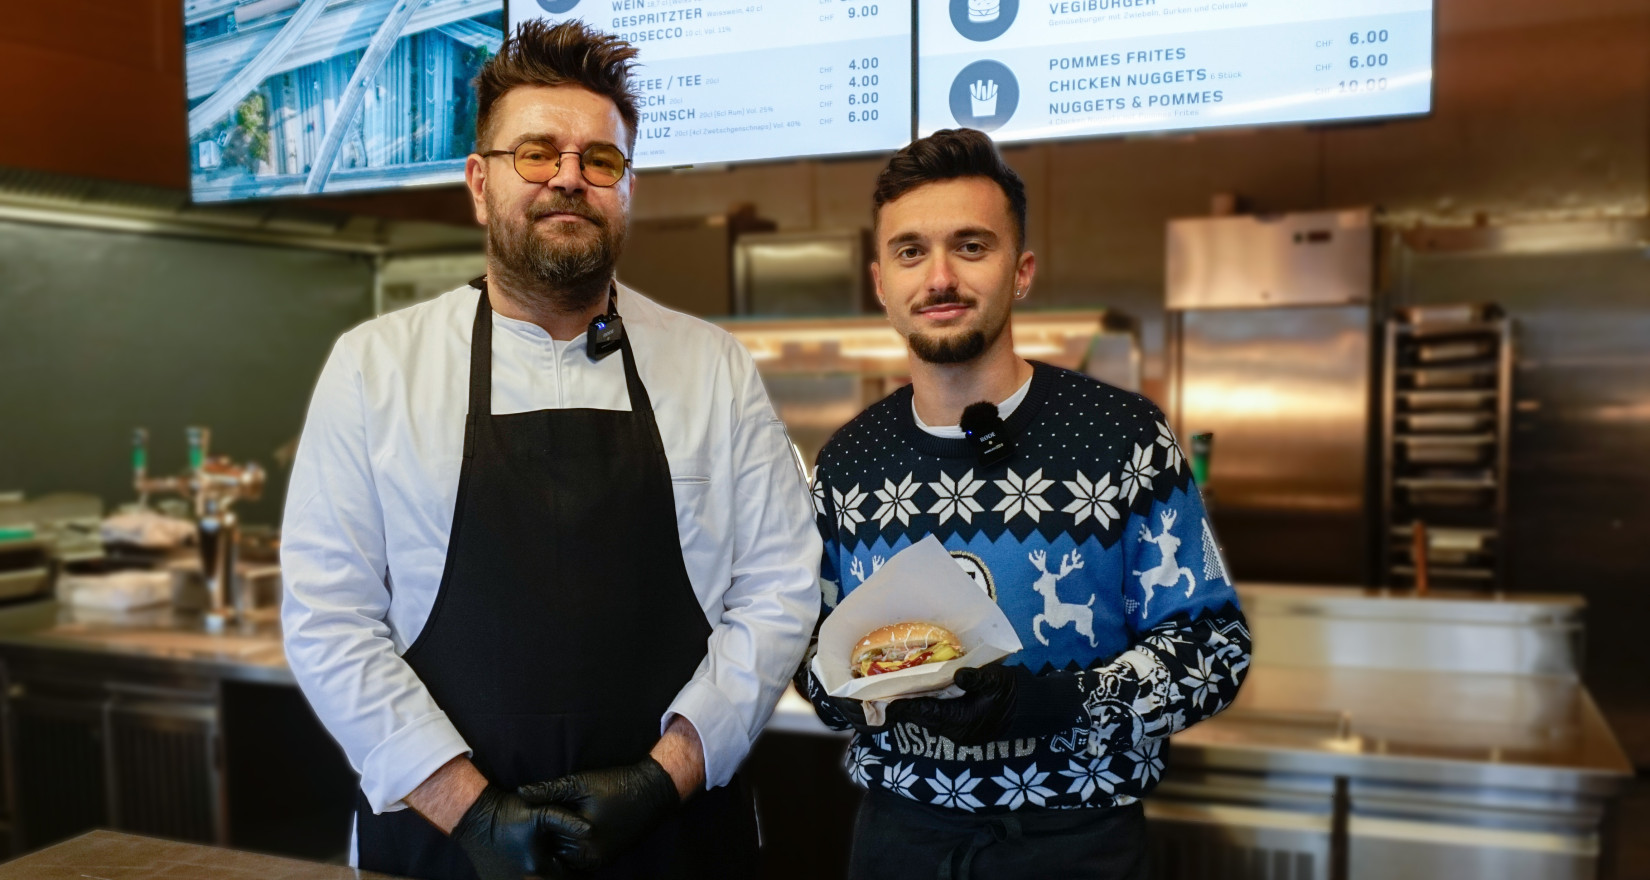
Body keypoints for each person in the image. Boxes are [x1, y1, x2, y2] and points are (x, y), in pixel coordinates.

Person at [281, 20, 820, 880]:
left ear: (625, 187)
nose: (569, 178)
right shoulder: (377, 367)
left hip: (673, 838)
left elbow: (779, 591)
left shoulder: (711, 365)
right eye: (537, 152)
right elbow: (328, 619)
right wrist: (473, 811)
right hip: (445, 845)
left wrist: (662, 777)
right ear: (479, 182)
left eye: (599, 160)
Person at [798, 128, 1252, 879]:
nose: (939, 276)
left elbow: (1212, 651)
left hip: (1076, 841)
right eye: (911, 251)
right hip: (900, 841)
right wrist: (871, 696)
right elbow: (814, 659)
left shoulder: (1121, 435)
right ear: (881, 283)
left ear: (1022, 271)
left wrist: (1050, 704)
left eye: (971, 247)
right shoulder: (849, 462)